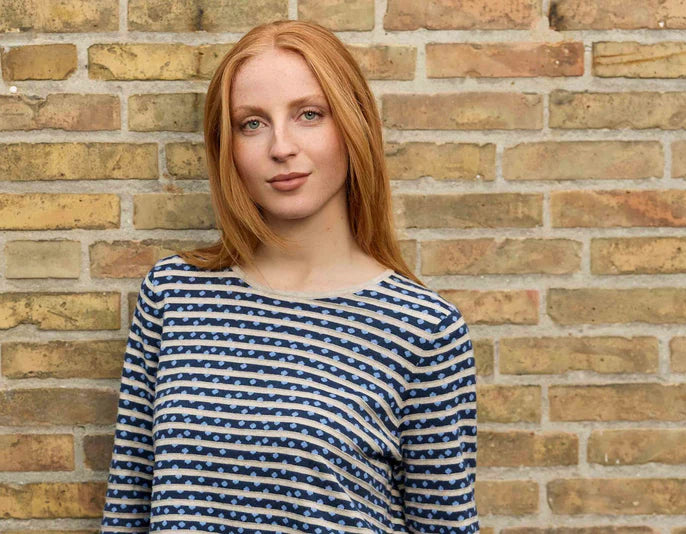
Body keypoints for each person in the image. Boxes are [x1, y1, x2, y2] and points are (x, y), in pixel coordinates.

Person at [100, 19, 479, 534]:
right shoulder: (173, 295)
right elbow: (127, 507)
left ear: (353, 124)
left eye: (309, 114)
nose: (281, 146)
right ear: (227, 146)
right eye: (252, 123)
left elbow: (445, 524)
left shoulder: (423, 328)